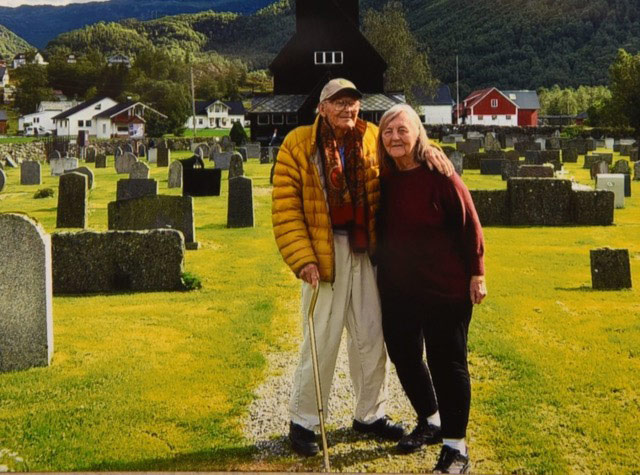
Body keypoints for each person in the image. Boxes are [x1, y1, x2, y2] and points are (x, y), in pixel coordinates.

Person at [271, 78, 452, 457]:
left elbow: (402, 154)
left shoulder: (370, 135)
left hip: (365, 247)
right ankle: (303, 420)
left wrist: (430, 150)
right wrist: (302, 258)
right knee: (321, 339)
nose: (347, 110)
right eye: (338, 104)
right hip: (323, 251)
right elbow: (286, 208)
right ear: (321, 108)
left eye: (352, 103)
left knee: (371, 336)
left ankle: (369, 414)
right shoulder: (298, 143)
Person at [375, 104, 486, 474]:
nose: (394, 137)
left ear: (418, 133)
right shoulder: (386, 177)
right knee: (403, 354)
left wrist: (477, 273)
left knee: (447, 363)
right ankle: (431, 419)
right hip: (398, 288)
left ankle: (456, 449)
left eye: (402, 130)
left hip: (444, 288)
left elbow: (469, 223)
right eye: (387, 131)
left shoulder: (441, 173)